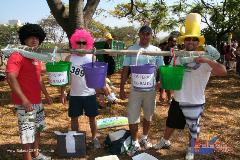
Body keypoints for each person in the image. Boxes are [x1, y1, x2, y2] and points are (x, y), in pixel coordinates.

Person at [153, 13, 227, 160]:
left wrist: (207, 60)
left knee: (193, 128)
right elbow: (172, 73)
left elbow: (223, 72)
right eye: (188, 39)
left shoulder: (206, 57)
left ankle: (191, 149)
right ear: (184, 41)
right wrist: (161, 85)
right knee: (171, 123)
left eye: (194, 39)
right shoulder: (179, 56)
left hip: (195, 100)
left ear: (198, 41)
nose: (191, 41)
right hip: (178, 98)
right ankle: (164, 141)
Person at [6, 23, 52, 160]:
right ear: (24, 39)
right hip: (24, 103)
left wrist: (47, 95)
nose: (34, 40)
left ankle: (36, 154)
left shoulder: (36, 57)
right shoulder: (17, 55)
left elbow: (38, 79)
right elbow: (10, 77)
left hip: (37, 102)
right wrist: (24, 99)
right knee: (27, 135)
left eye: (37, 38)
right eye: (31, 37)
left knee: (37, 130)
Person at [120, 25, 164, 156]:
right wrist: (122, 88)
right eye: (143, 33)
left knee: (148, 115)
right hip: (135, 90)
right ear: (139, 34)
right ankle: (135, 141)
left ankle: (144, 138)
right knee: (133, 116)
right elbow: (125, 69)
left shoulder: (156, 50)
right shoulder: (131, 49)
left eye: (148, 34)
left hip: (150, 90)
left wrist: (161, 85)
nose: (145, 36)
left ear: (151, 36)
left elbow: (161, 69)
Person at [60, 28, 101, 149]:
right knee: (74, 118)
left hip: (90, 94)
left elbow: (97, 77)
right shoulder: (69, 58)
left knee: (92, 118)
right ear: (74, 43)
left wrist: (101, 92)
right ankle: (76, 138)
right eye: (79, 42)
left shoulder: (92, 58)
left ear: (88, 43)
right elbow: (65, 78)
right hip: (74, 94)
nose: (81, 45)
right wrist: (62, 93)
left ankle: (94, 138)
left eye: (84, 42)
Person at [159, 36, 178, 103]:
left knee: (170, 84)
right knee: (166, 84)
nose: (175, 43)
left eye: (175, 41)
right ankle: (167, 98)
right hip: (166, 67)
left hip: (171, 67)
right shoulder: (167, 48)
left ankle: (169, 98)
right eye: (174, 41)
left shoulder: (173, 48)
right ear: (170, 41)